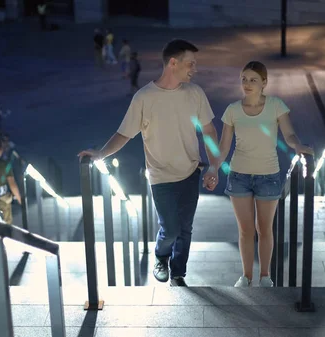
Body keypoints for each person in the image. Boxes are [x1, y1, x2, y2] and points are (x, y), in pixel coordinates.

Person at [78, 39, 219, 287]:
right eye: (190, 64)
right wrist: (100, 154)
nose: (194, 69)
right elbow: (124, 133)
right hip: (161, 177)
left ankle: (178, 273)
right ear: (173, 63)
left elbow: (208, 130)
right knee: (171, 229)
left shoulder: (195, 93)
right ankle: (161, 256)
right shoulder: (145, 97)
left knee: (185, 229)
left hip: (190, 173)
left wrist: (213, 165)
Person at [216, 61, 314, 287]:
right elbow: (223, 147)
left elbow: (289, 134)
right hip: (239, 176)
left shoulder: (276, 105)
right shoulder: (232, 110)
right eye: (244, 79)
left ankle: (266, 276)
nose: (247, 84)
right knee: (245, 230)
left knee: (265, 229)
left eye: (253, 80)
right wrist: (213, 167)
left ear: (264, 83)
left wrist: (297, 146)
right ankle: (246, 276)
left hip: (268, 175)